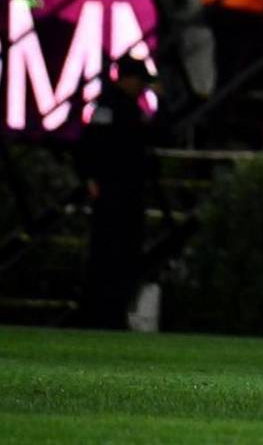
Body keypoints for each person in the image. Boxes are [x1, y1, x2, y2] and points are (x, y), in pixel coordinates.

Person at [74, 54, 159, 329]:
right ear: (129, 78)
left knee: (121, 255)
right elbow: (90, 145)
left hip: (126, 192)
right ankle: (99, 315)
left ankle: (110, 314)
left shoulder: (126, 107)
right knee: (109, 255)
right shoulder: (110, 106)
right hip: (113, 193)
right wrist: (90, 177)